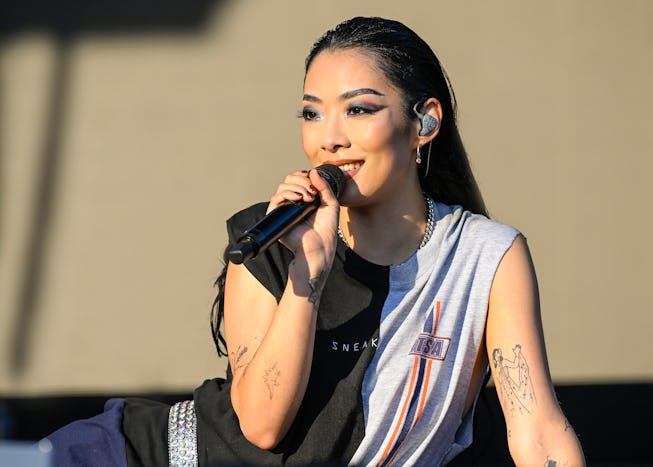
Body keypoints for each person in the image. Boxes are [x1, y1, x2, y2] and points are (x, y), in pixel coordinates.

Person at [46, 16, 585, 466]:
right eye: (311, 112)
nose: (328, 137)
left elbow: (536, 430)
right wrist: (307, 275)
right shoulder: (271, 235)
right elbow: (261, 425)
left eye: (358, 109)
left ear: (424, 122)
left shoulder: (486, 256)